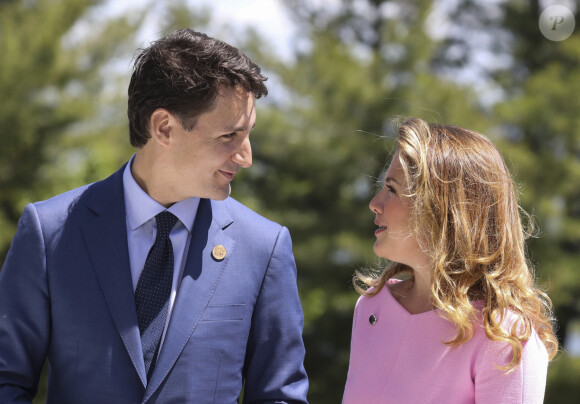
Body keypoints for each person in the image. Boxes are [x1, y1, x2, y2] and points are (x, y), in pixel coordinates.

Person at [0, 29, 308, 403]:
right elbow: (7, 381)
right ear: (164, 128)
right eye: (229, 136)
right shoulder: (49, 232)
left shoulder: (264, 247)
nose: (246, 157)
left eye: (248, 135)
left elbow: (279, 396)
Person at [342, 118, 558, 404]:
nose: (375, 202)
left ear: (442, 211)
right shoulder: (371, 305)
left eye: (392, 189)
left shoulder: (506, 338)